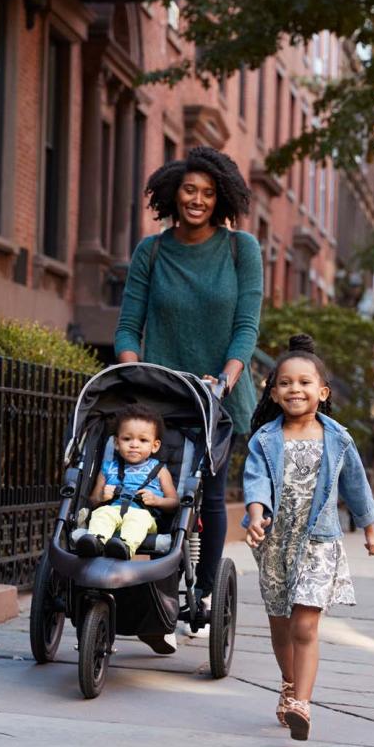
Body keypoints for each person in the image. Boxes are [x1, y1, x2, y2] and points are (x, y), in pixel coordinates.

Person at [115, 146, 262, 650]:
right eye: (189, 190)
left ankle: (198, 590)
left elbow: (246, 326)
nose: (197, 200)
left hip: (218, 395)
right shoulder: (151, 251)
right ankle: (153, 594)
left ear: (221, 198)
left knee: (208, 496)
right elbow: (129, 325)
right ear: (173, 194)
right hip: (159, 394)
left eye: (208, 193)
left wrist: (225, 377)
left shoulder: (242, 249)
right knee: (150, 488)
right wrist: (133, 371)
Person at [243, 334, 374, 741]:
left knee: (304, 625)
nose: (295, 389)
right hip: (274, 545)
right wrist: (255, 514)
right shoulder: (265, 439)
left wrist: (369, 527)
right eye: (285, 383)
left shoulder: (337, 438)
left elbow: (356, 484)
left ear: (322, 392)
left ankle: (302, 703)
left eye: (305, 382)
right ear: (273, 392)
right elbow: (255, 482)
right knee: (281, 626)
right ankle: (288, 683)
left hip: (320, 542)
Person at [76, 405, 178, 560]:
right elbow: (93, 500)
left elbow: (174, 502)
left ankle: (124, 547)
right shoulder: (108, 468)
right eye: (127, 439)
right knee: (101, 513)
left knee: (137, 519)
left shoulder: (160, 470)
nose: (134, 444)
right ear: (117, 443)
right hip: (113, 511)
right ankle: (95, 543)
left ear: (155, 446)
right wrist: (102, 497)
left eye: (143, 440)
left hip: (144, 516)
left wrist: (157, 500)